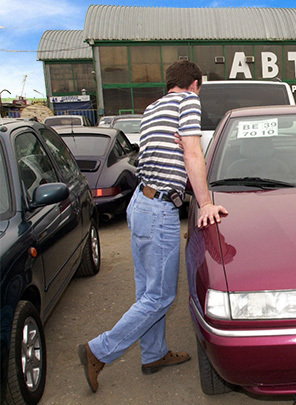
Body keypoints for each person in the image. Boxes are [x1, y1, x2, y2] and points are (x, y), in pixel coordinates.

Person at [78, 60, 228, 393]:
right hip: (159, 209)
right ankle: (98, 350)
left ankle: (154, 354)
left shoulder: (152, 108)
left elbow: (163, 153)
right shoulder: (187, 101)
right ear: (194, 84)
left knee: (148, 290)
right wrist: (205, 204)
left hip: (141, 204)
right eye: (199, 89)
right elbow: (192, 154)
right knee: (159, 297)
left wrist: (183, 148)